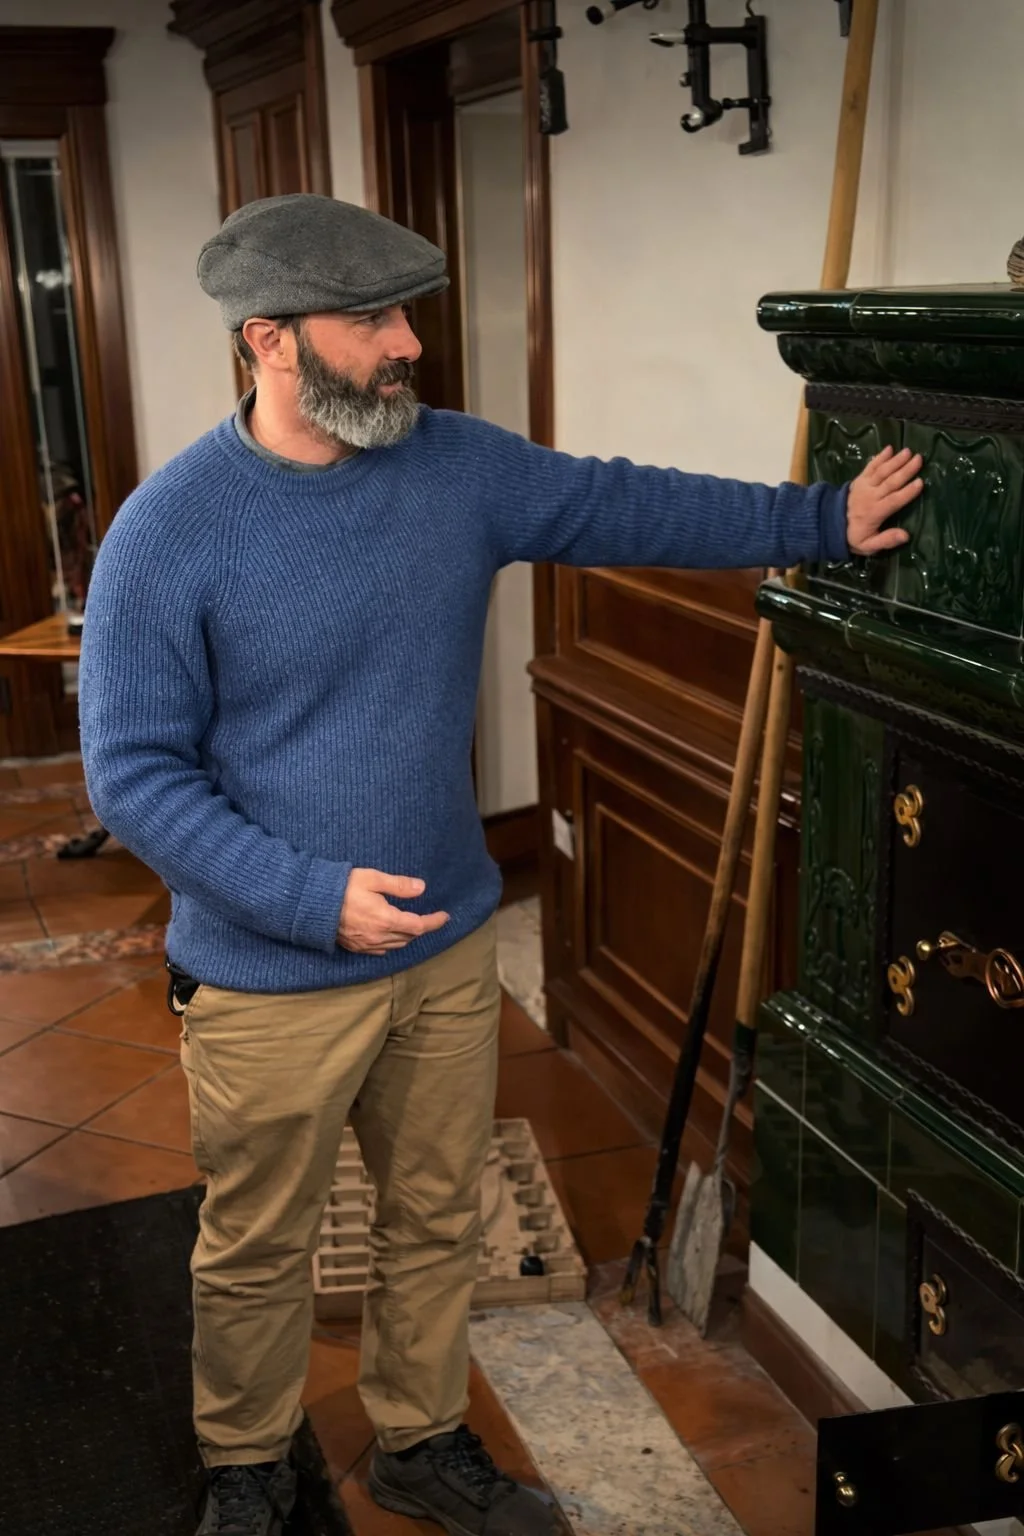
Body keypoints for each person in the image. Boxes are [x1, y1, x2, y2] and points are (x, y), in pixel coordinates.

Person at [79, 193, 923, 1536]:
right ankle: (247, 1467)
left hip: (448, 942)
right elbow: (132, 777)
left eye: (407, 312)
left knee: (435, 1219)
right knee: (258, 1247)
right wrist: (310, 898)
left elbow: (620, 502)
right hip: (266, 971)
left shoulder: (456, 466)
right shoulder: (167, 533)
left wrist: (822, 518)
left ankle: (419, 1439)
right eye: (371, 320)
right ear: (270, 343)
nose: (408, 342)